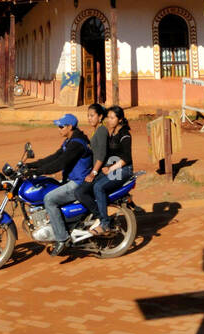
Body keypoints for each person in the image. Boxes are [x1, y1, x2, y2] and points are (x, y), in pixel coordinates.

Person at [22, 113, 92, 253]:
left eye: (61, 126)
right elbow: (55, 157)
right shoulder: (70, 141)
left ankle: (62, 238)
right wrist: (32, 166)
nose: (59, 129)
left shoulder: (77, 144)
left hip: (79, 182)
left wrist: (37, 172)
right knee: (48, 188)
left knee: (49, 199)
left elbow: (60, 163)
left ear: (70, 127)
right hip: (71, 180)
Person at [89, 107, 133, 233]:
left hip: (123, 170)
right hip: (114, 169)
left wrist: (110, 168)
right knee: (91, 184)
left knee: (98, 187)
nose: (109, 120)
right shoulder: (113, 133)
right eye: (108, 117)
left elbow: (126, 158)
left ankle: (105, 224)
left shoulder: (125, 135)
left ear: (119, 120)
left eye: (112, 118)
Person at [73, 103, 108, 232]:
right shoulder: (96, 131)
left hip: (100, 171)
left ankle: (100, 217)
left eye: (92, 116)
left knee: (79, 192)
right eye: (88, 116)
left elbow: (102, 155)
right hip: (95, 170)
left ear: (100, 116)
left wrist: (93, 173)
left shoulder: (102, 130)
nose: (89, 118)